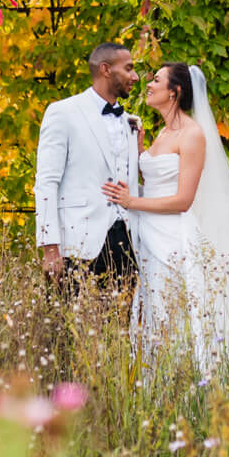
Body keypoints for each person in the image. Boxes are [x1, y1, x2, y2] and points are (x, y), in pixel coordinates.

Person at [101, 62, 229, 373]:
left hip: (173, 239)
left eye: (156, 80)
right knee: (150, 318)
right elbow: (155, 184)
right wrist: (139, 147)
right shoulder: (162, 132)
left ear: (174, 92)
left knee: (171, 319)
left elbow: (183, 200)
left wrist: (131, 201)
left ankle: (184, 391)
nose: (148, 84)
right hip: (149, 235)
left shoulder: (192, 135)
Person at [34, 42, 141, 290]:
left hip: (125, 242)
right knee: (67, 326)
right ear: (106, 69)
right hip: (78, 243)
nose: (134, 77)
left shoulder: (130, 122)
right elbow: (47, 182)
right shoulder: (63, 112)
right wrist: (51, 248)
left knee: (119, 325)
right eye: (129, 69)